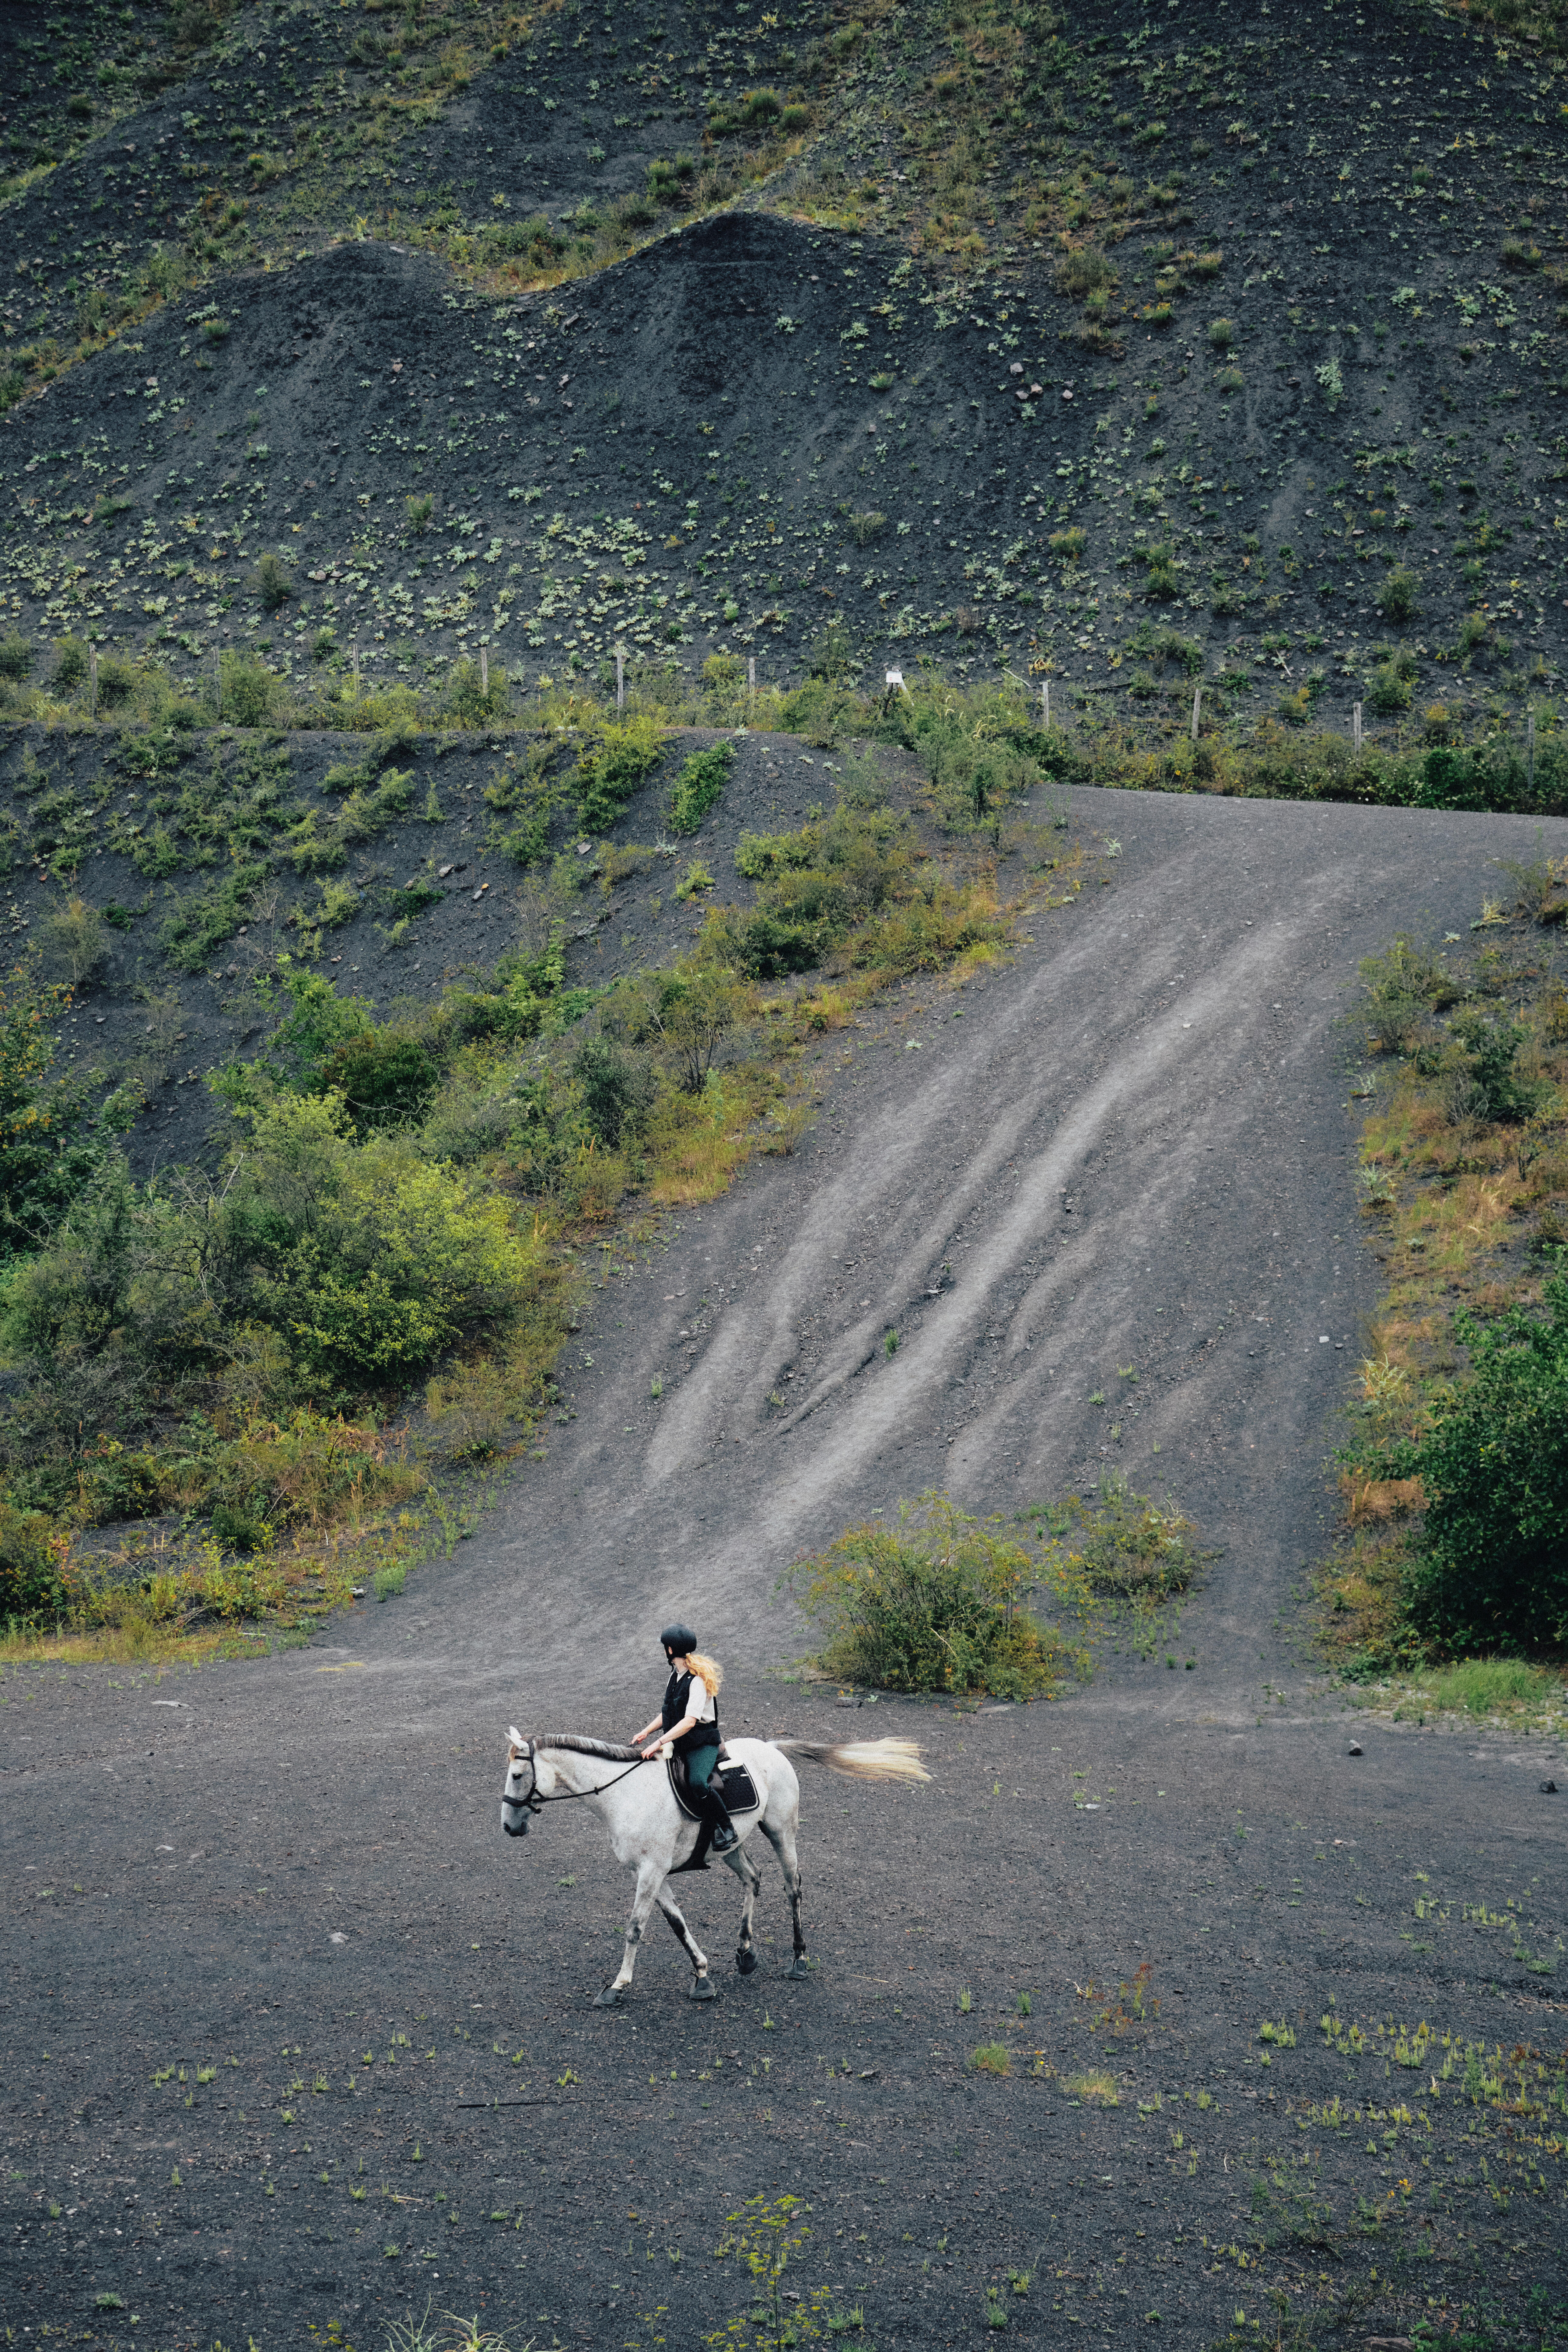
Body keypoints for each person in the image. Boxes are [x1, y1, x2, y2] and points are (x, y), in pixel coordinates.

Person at [632, 1622, 737, 1871]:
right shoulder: (675, 1675)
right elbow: (669, 1712)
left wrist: (659, 1742)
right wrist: (647, 1731)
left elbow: (690, 1721)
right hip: (681, 1740)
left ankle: (726, 1827)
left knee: (698, 1782)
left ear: (670, 1650)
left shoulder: (697, 1681)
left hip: (702, 1742)